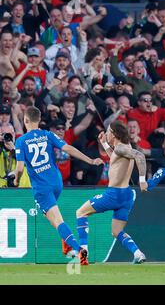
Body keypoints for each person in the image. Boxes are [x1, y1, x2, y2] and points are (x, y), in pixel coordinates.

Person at [13, 106, 103, 264]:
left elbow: (19, 168)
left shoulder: (21, 141)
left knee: (57, 220)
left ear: (25, 120)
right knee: (52, 217)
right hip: (57, 182)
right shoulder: (48, 134)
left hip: (42, 187)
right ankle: (66, 243)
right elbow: (68, 148)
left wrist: (16, 180)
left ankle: (79, 250)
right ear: (39, 120)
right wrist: (90, 160)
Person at [74, 120, 149, 265]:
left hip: (114, 194)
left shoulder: (121, 148)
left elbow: (140, 156)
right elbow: (115, 156)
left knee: (80, 212)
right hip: (126, 195)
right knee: (116, 231)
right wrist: (104, 143)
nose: (106, 133)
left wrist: (142, 180)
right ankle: (138, 253)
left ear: (114, 134)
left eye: (108, 131)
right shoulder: (123, 148)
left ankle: (83, 256)